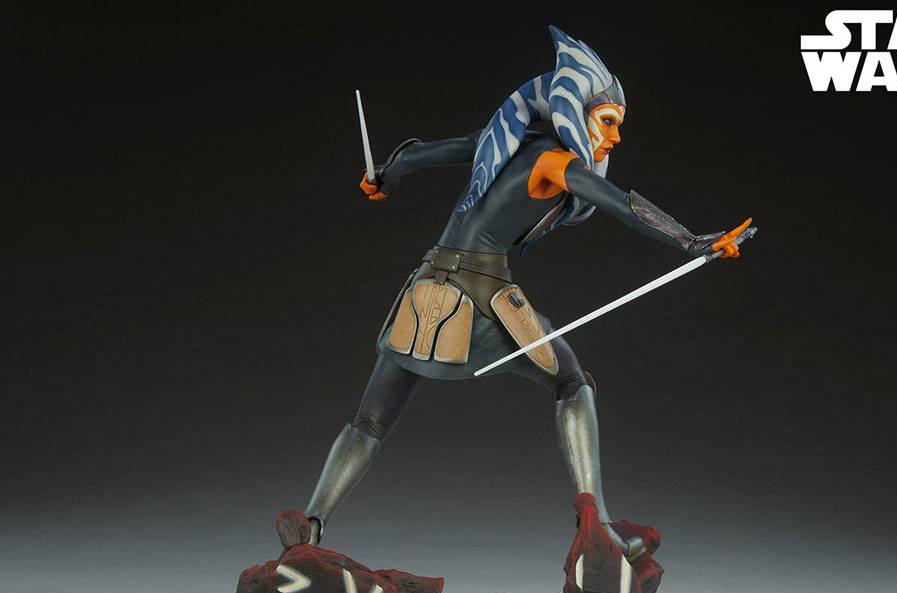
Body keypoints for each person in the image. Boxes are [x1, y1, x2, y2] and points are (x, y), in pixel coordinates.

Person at [304, 26, 755, 555]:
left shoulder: (502, 140)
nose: (614, 139)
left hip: (425, 284)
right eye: (607, 121)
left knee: (368, 421)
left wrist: (384, 175)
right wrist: (690, 240)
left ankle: (310, 525)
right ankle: (598, 530)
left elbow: (423, 153)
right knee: (573, 385)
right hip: (481, 298)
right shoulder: (553, 161)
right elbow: (619, 202)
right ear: (574, 112)